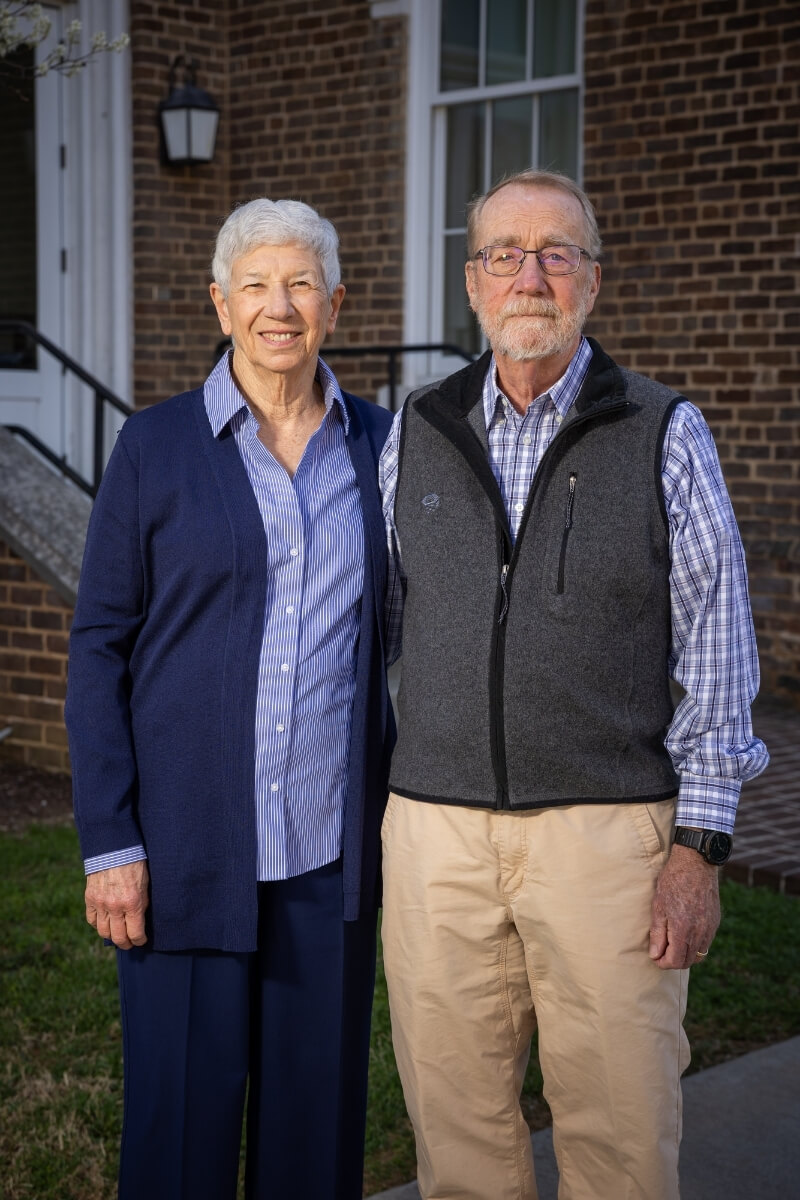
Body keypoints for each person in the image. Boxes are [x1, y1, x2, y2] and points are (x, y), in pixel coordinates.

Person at [378, 169, 768, 1200]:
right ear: (471, 282)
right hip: (435, 839)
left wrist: (699, 849)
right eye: (503, 253)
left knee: (620, 1135)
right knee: (453, 1130)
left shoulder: (661, 432)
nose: (529, 276)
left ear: (591, 281)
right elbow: (371, 625)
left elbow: (717, 653)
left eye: (556, 252)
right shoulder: (411, 431)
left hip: (607, 842)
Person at [65, 198, 395, 1200]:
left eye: (299, 283)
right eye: (254, 284)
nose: (277, 306)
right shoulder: (155, 448)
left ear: (334, 304)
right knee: (178, 1142)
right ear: (220, 302)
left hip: (323, 863)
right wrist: (111, 845)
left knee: (313, 1142)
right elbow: (97, 647)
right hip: (184, 857)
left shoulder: (384, 450)